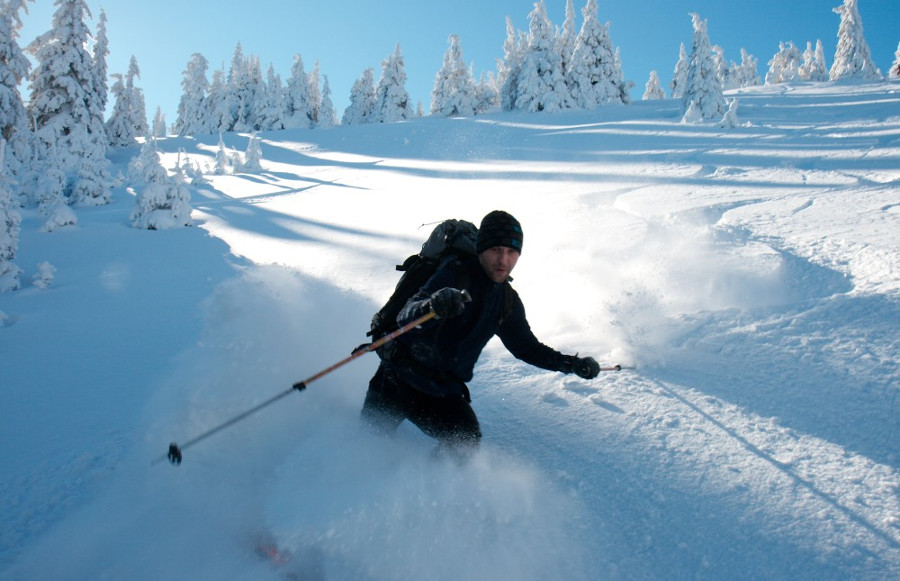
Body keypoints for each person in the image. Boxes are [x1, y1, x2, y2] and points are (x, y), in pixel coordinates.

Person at [361, 210, 601, 458]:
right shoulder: (454, 273)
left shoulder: (507, 301)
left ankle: (431, 490)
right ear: (482, 249)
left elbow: (526, 348)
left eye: (511, 252)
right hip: (396, 381)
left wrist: (571, 364)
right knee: (366, 448)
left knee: (465, 444)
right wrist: (433, 306)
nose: (503, 260)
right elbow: (406, 316)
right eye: (496, 249)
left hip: (440, 394)